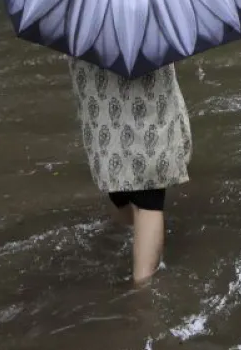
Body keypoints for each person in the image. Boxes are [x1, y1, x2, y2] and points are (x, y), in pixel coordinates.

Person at [68, 57, 192, 284]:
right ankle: (142, 293)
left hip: (95, 77)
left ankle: (128, 236)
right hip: (144, 77)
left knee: (113, 167)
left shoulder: (79, 25)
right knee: (149, 193)